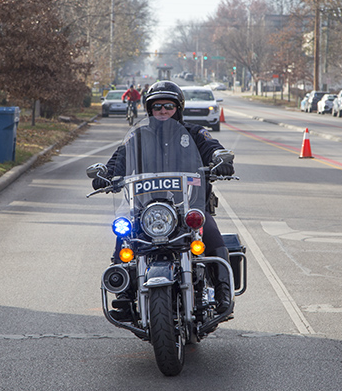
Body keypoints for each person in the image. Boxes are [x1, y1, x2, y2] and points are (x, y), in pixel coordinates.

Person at [92, 81, 235, 319]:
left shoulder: (195, 133)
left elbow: (212, 147)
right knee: (124, 235)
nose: (162, 111)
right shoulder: (137, 136)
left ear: (178, 108)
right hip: (147, 209)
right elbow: (118, 160)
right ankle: (125, 297)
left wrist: (221, 160)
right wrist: (105, 175)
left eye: (168, 106)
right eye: (157, 106)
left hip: (187, 206)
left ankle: (223, 292)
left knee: (209, 230)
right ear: (149, 110)